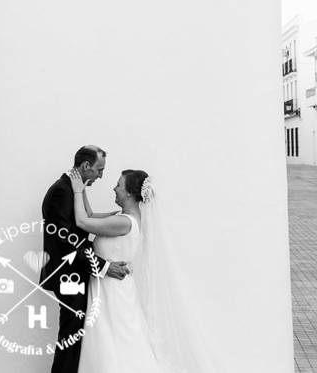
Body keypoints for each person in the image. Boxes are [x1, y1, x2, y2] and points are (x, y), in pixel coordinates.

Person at [68, 167, 220, 373]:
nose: (114, 188)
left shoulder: (123, 222)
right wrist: (83, 187)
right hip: (108, 288)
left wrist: (77, 191)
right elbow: (90, 215)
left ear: (130, 193)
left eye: (118, 185)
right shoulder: (121, 217)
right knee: (110, 341)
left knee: (113, 341)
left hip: (112, 292)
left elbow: (82, 221)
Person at [42, 146, 130, 373]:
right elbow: (67, 244)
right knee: (70, 339)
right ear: (85, 166)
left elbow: (88, 218)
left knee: (75, 337)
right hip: (68, 276)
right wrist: (105, 266)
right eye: (99, 170)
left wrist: (122, 215)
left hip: (76, 274)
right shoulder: (62, 192)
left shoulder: (75, 188)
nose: (101, 176)